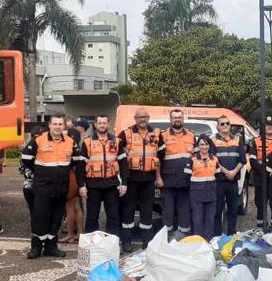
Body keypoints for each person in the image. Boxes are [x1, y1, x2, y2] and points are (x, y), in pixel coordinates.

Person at [25, 116, 82, 258]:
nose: (57, 127)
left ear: (64, 127)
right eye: (54, 124)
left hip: (62, 187)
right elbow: (26, 159)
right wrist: (41, 172)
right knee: (40, 217)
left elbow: (75, 161)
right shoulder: (38, 140)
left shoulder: (70, 142)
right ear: (49, 125)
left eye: (60, 124)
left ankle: (51, 246)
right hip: (43, 187)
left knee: (56, 218)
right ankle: (36, 247)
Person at [117, 107, 163, 253]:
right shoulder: (126, 133)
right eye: (139, 117)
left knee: (147, 211)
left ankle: (146, 242)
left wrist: (158, 177)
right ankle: (126, 242)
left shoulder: (156, 134)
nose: (142, 119)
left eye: (145, 117)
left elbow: (160, 158)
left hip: (148, 180)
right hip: (131, 179)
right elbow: (117, 156)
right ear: (135, 119)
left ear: (148, 118)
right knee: (128, 210)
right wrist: (122, 180)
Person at [77, 114, 128, 240]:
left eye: (104, 123)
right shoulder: (87, 142)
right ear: (95, 125)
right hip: (93, 185)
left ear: (108, 124)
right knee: (92, 217)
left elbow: (123, 164)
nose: (102, 125)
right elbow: (80, 166)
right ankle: (92, 244)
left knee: (113, 217)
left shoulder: (116, 142)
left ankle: (112, 242)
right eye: (99, 123)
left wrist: (124, 183)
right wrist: (81, 185)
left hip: (112, 185)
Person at [159, 109, 196, 238]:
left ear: (183, 119)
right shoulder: (163, 136)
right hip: (168, 179)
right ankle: (167, 236)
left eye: (179, 117)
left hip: (186, 180)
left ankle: (183, 236)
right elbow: (158, 158)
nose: (177, 119)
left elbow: (196, 157)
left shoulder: (191, 135)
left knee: (184, 208)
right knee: (168, 209)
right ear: (170, 119)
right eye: (174, 117)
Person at [212, 115, 246, 235]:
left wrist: (234, 172)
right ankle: (217, 236)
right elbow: (213, 160)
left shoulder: (237, 140)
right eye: (222, 124)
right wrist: (226, 172)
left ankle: (231, 234)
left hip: (233, 181)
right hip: (219, 181)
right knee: (217, 210)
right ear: (218, 127)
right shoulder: (213, 141)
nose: (225, 126)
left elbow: (242, 159)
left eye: (227, 123)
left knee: (233, 209)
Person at [247, 116, 272, 228]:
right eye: (267, 125)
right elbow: (253, 160)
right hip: (260, 178)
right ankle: (261, 227)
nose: (270, 127)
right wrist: (265, 172)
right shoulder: (256, 141)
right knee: (260, 203)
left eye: (271, 125)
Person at [185, 135, 219, 240]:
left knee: (210, 220)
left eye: (206, 144)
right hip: (197, 195)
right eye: (202, 144)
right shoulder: (192, 159)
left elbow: (217, 176)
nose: (204, 147)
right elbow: (186, 177)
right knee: (197, 220)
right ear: (198, 146)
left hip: (211, 194)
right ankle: (197, 243)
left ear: (209, 145)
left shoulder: (215, 159)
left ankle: (207, 243)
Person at [19, 124, 46, 214]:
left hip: (28, 186)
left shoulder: (26, 150)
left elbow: (21, 169)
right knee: (43, 213)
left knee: (34, 213)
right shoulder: (46, 151)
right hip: (42, 187)